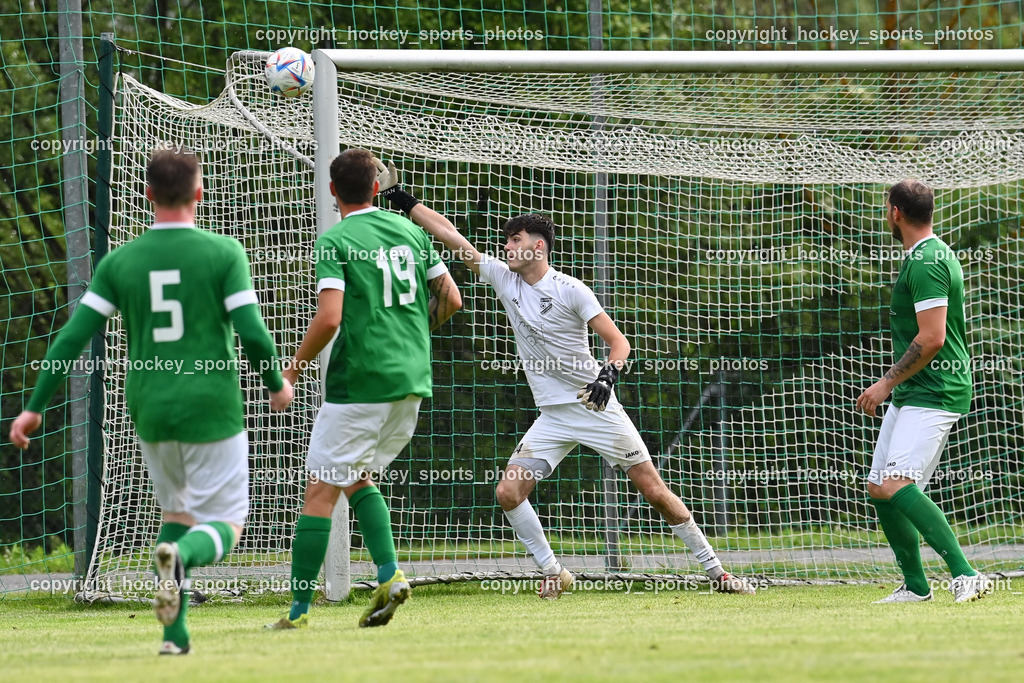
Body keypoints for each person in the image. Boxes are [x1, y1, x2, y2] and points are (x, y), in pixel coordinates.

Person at [374, 161, 755, 598]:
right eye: (505, 240)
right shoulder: (503, 277)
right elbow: (451, 236)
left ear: (537, 247)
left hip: (596, 408)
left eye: (514, 240)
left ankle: (718, 572)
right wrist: (401, 200)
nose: (506, 247)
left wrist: (607, 378)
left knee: (653, 491)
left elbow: (619, 343)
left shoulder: (571, 289)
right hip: (552, 417)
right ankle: (554, 571)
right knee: (508, 490)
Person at [9, 144, 293, 654]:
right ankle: (181, 557)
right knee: (225, 523)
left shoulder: (122, 261)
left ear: (147, 195)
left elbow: (73, 338)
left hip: (151, 409)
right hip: (212, 406)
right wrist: (275, 381)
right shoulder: (223, 253)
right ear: (199, 193)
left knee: (177, 511)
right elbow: (252, 332)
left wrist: (34, 406)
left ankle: (174, 636)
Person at [266, 149, 462, 630]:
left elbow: (329, 317)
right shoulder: (412, 232)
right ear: (377, 188)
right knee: (356, 476)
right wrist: (410, 337)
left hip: (361, 384)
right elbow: (451, 298)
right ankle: (389, 573)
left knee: (318, 492)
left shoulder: (335, 240)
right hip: (412, 382)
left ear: (332, 192)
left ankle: (297, 614)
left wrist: (290, 371)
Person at [856, 179, 991, 603]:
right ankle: (915, 587)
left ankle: (967, 573)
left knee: (897, 483)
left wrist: (884, 383)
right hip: (916, 392)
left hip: (935, 391)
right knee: (879, 485)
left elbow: (932, 338)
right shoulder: (925, 255)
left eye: (885, 208)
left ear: (895, 212)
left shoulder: (927, 261)